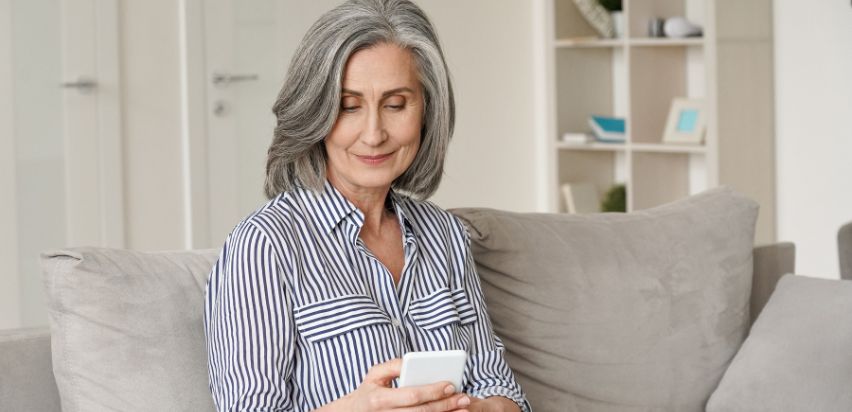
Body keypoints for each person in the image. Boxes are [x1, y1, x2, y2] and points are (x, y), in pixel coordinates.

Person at [203, 0, 530, 411]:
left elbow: (502, 388)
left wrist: (477, 408)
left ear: (427, 111)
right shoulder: (265, 246)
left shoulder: (444, 235)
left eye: (395, 105)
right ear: (315, 113)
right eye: (349, 106)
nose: (373, 134)